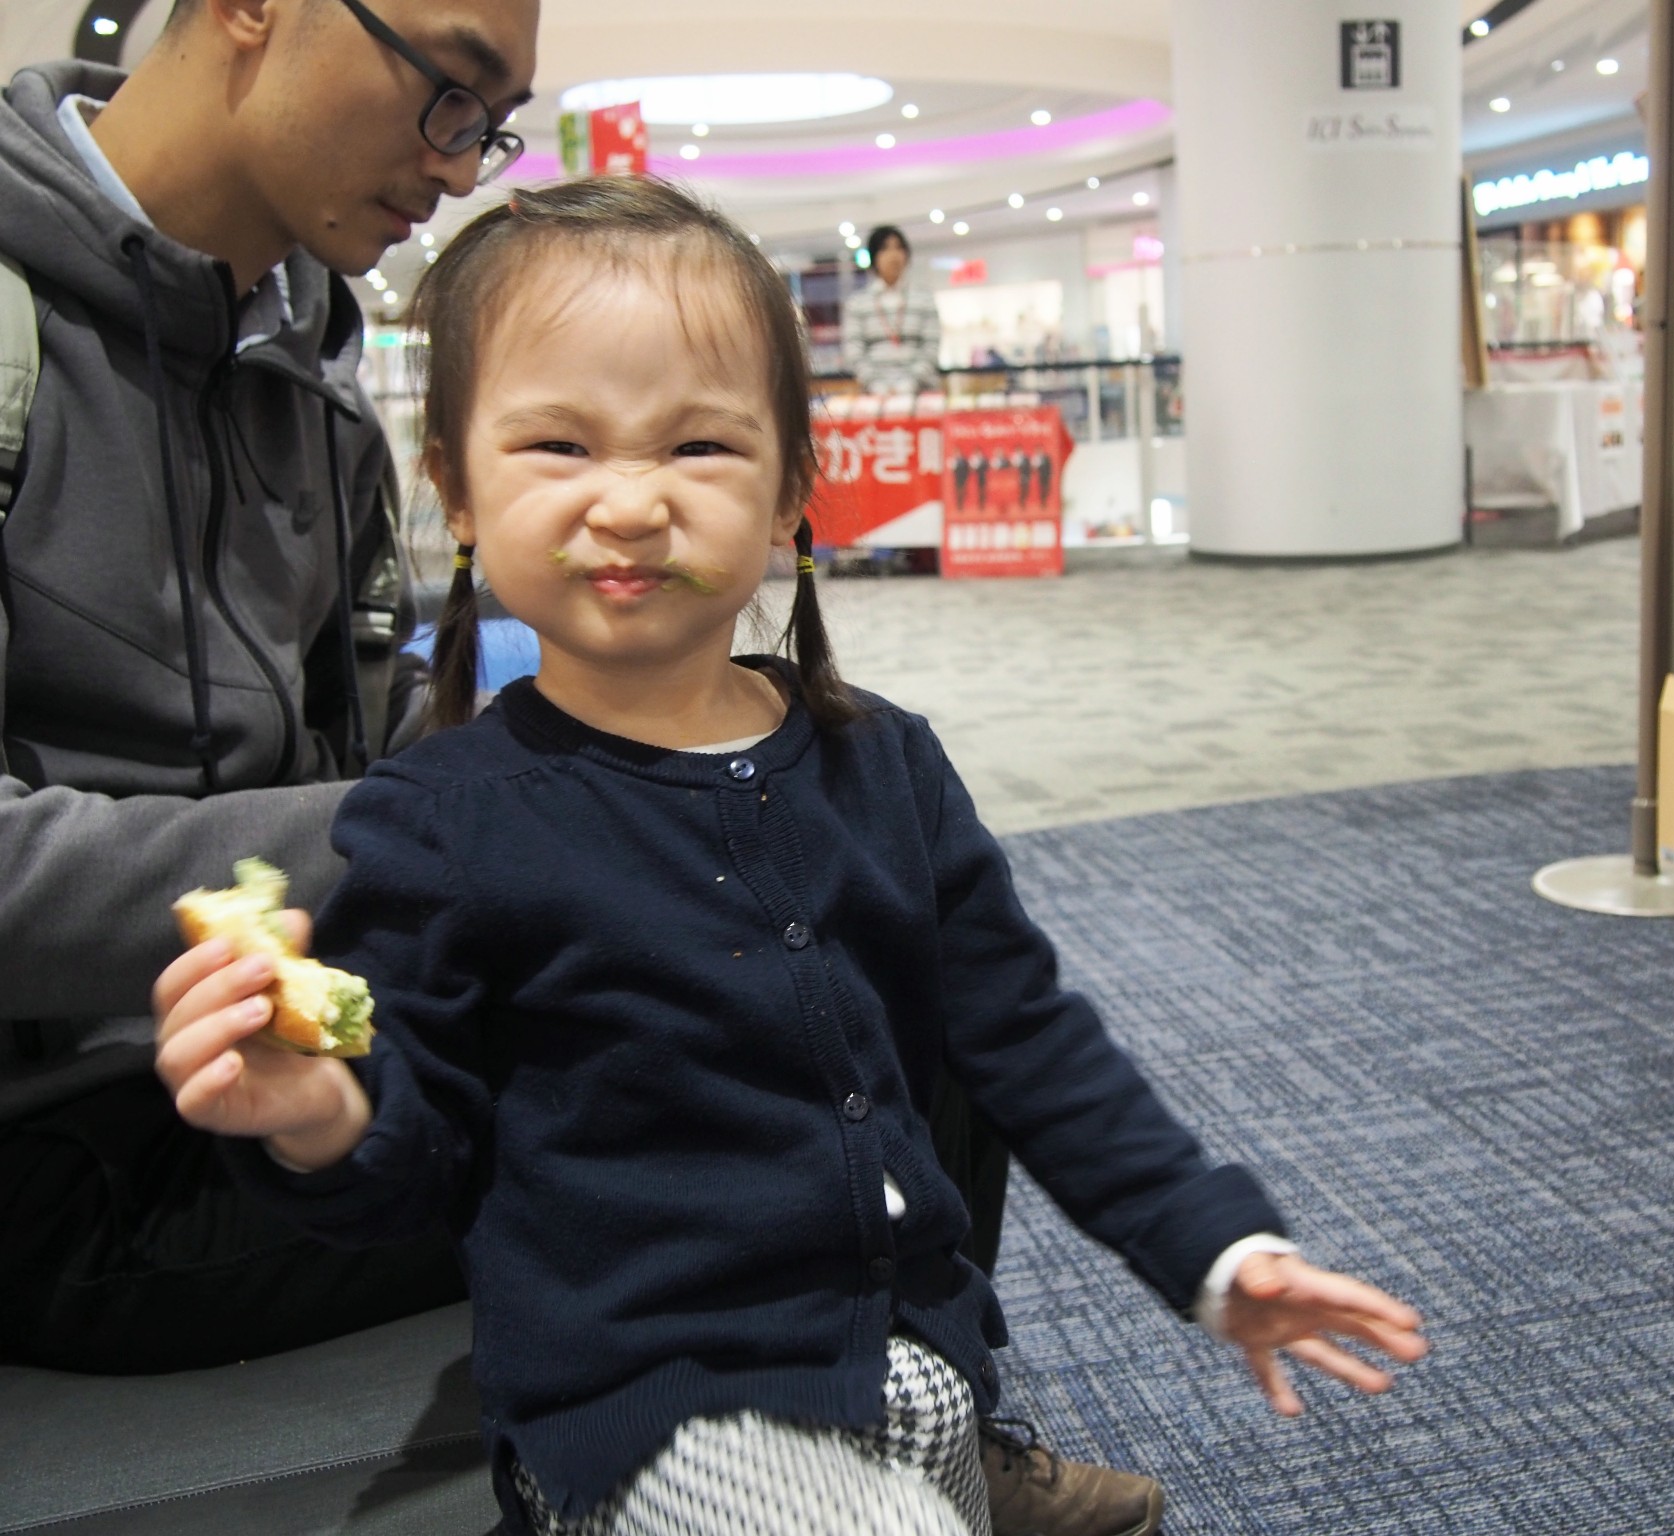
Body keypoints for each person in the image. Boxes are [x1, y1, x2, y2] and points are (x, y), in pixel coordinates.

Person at [151, 177, 1431, 1536]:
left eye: (700, 446)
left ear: (789, 497)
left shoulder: (880, 762)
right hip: (656, 1416)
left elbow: (1032, 1042)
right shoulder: (446, 816)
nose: (630, 502)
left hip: (920, 1380)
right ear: (458, 490)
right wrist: (312, 1111)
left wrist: (1217, 1249)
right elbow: (412, 1157)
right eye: (559, 446)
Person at [0, 0, 539, 1373]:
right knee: (793, 1087)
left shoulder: (312, 374)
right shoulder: (22, 343)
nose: (464, 167)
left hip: (297, 1040)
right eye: (449, 93)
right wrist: (427, 827)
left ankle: (904, 1449)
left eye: (492, 125)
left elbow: (354, 736)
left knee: (849, 943)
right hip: (66, 1148)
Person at [840, 224, 943, 396]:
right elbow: (855, 352)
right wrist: (877, 387)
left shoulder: (925, 299)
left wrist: (908, 385)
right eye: (885, 249)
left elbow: (931, 349)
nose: (893, 255)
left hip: (921, 393)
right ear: (874, 257)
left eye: (899, 248)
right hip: (874, 397)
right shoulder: (857, 304)